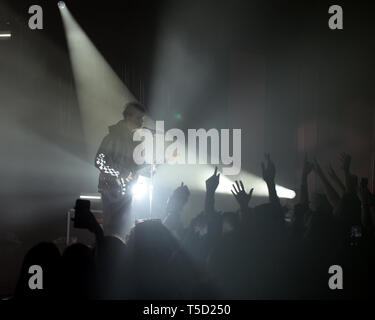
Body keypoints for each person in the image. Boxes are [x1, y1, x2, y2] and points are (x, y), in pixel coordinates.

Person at [94, 101, 146, 238]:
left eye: (142, 118)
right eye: (138, 118)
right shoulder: (112, 137)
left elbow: (135, 167)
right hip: (111, 191)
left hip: (126, 192)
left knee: (122, 230)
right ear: (128, 117)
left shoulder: (136, 141)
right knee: (111, 231)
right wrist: (122, 173)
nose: (141, 122)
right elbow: (99, 161)